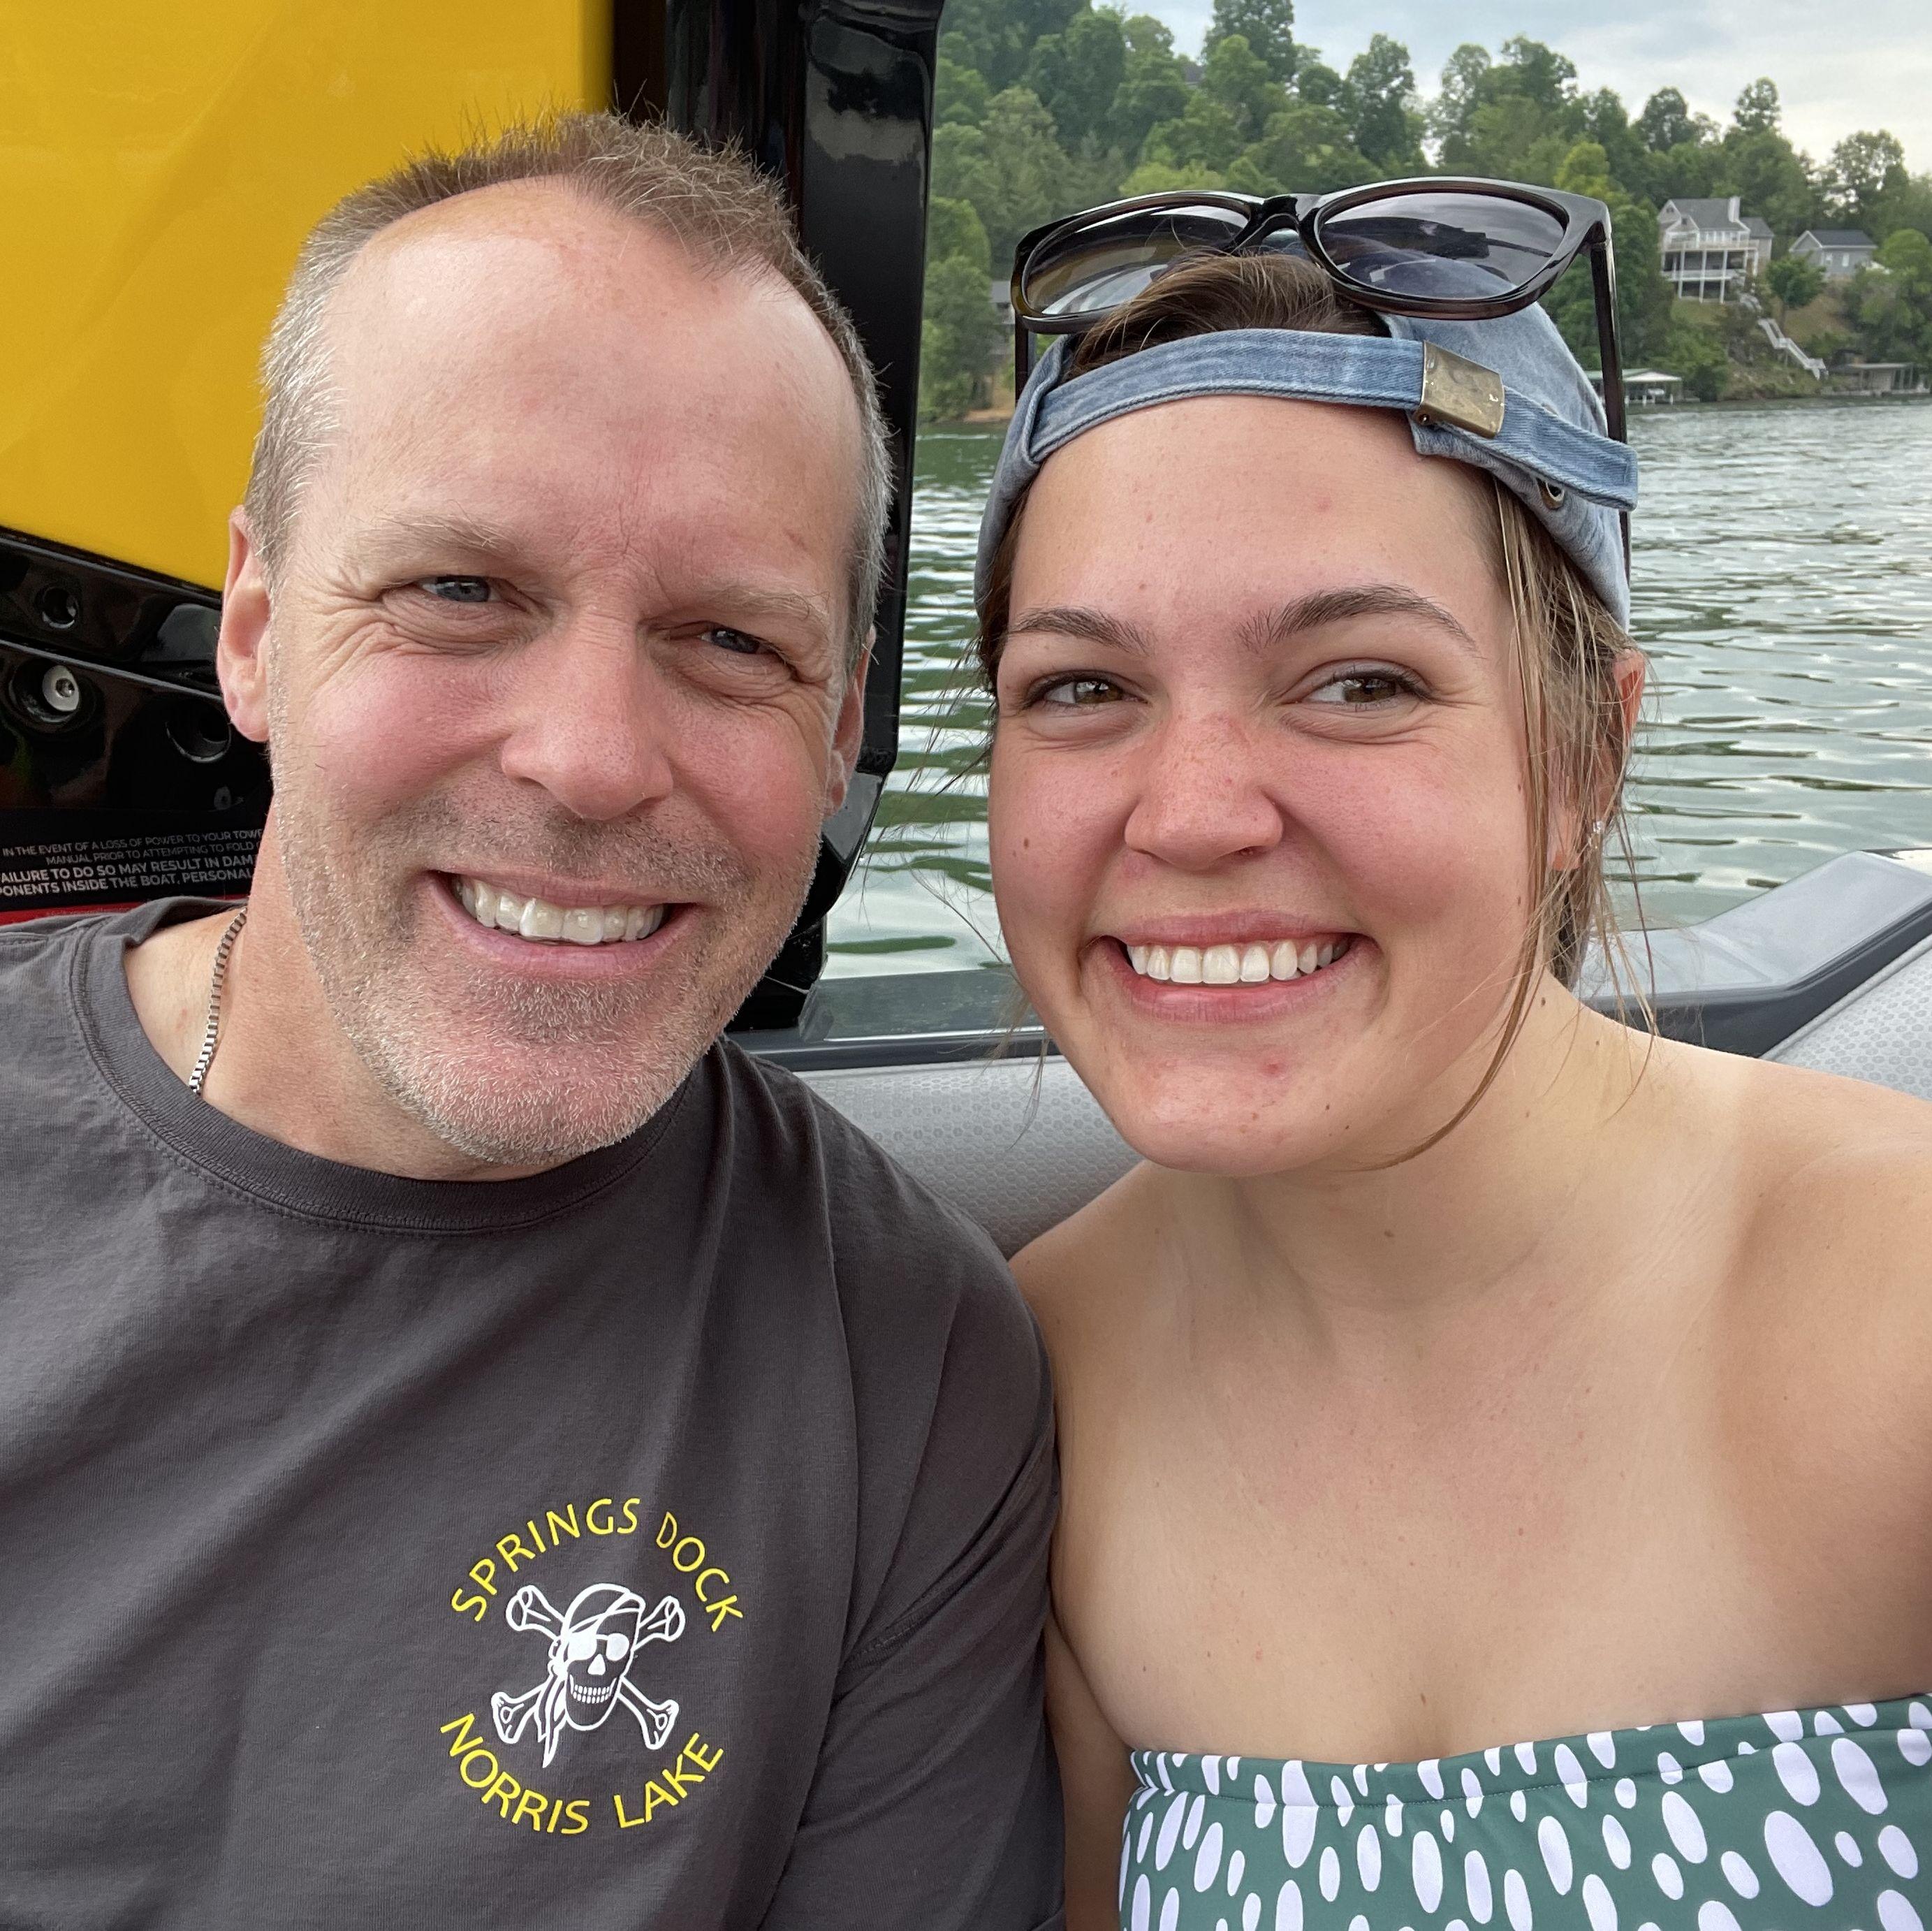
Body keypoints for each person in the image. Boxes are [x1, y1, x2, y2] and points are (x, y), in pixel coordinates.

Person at [0, 115, 1060, 1930]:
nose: (587, 757)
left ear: (837, 731)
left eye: (731, 640)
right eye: (460, 591)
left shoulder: (904, 1361)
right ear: (254, 629)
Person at [975, 189, 1932, 1931]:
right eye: (1082, 689)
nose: (1190, 813)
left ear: (1585, 760)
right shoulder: (1034, 1377)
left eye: (1357, 684)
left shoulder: (1901, 1311)